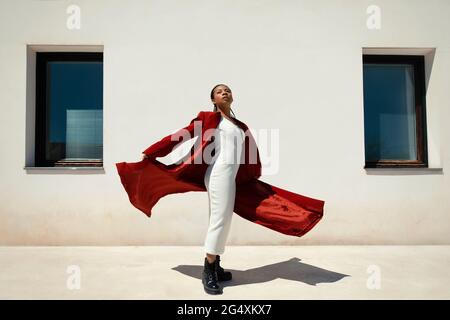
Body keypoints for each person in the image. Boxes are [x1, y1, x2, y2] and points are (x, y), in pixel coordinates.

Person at [142, 84, 241, 295]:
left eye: (228, 90)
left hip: (230, 176)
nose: (225, 92)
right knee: (219, 219)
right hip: (219, 173)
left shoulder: (237, 124)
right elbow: (182, 134)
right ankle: (208, 269)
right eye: (220, 91)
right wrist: (153, 151)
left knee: (223, 218)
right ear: (213, 100)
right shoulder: (209, 118)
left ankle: (216, 266)